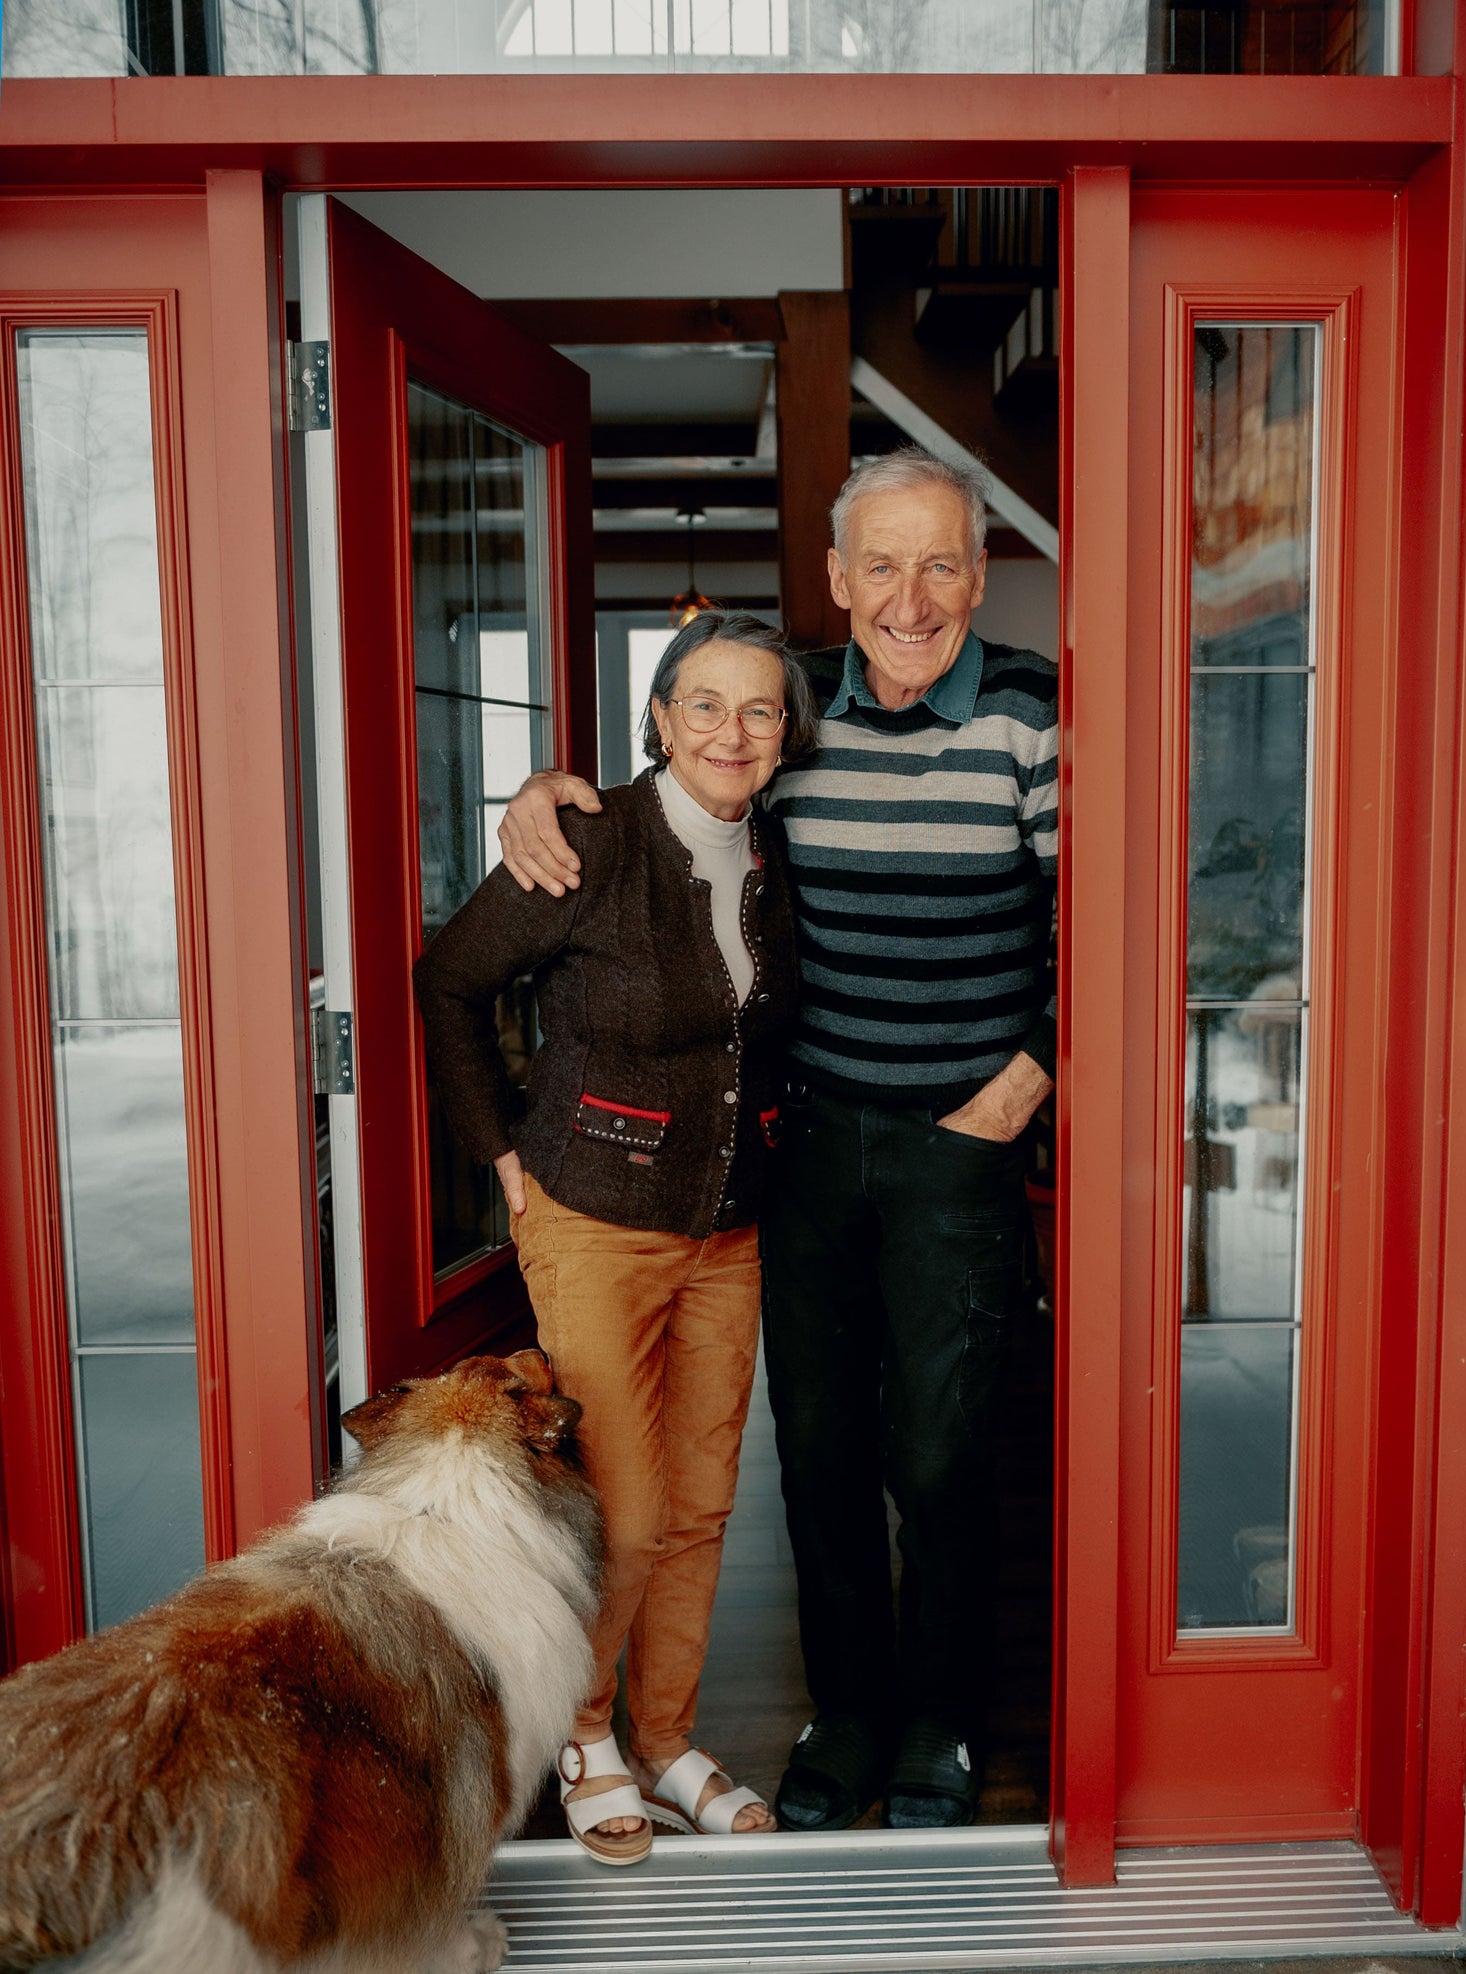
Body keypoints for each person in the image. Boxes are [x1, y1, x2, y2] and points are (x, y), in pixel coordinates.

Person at [497, 447, 1058, 1834]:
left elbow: (1112, 915)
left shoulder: (1035, 719)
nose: (910, 598)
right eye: (881, 564)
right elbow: (688, 774)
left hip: (957, 1149)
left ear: (982, 578)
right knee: (815, 1455)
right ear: (834, 580)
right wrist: (544, 786)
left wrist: (1020, 1086)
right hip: (802, 1148)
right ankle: (848, 1716)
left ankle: (939, 1721)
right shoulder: (793, 714)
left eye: (941, 564)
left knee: (938, 1456)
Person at [413, 610, 819, 1866]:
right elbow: (451, 981)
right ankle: (584, 1734)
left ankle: (670, 1737)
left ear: (786, 731)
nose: (732, 731)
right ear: (657, 717)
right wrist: (500, 1150)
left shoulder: (773, 848)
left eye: (759, 709)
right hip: (596, 1219)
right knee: (628, 1517)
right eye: (705, 704)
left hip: (730, 1229)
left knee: (703, 1506)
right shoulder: (586, 840)